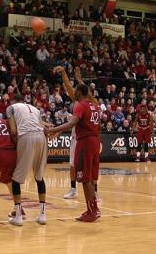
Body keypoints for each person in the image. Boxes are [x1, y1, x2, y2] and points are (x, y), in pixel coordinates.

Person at [46, 84, 102, 222]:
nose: (74, 93)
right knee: (90, 177)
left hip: (85, 143)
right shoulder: (95, 105)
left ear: (80, 92)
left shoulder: (81, 105)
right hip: (95, 140)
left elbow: (71, 124)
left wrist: (52, 130)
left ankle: (91, 211)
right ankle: (95, 209)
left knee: (85, 178)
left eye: (76, 90)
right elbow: (97, 125)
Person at [54, 66, 99, 200]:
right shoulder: (80, 101)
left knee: (89, 167)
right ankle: (73, 189)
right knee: (73, 165)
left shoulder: (92, 102)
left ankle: (94, 192)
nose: (74, 92)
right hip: (77, 135)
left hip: (86, 136)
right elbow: (68, 85)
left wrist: (79, 80)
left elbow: (73, 122)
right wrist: (64, 73)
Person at [6, 94, 48, 227]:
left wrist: (17, 146)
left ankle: (18, 216)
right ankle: (42, 215)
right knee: (39, 177)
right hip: (41, 137)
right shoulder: (34, 108)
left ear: (13, 101)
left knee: (16, 179)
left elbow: (13, 131)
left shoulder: (11, 108)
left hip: (26, 137)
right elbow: (43, 125)